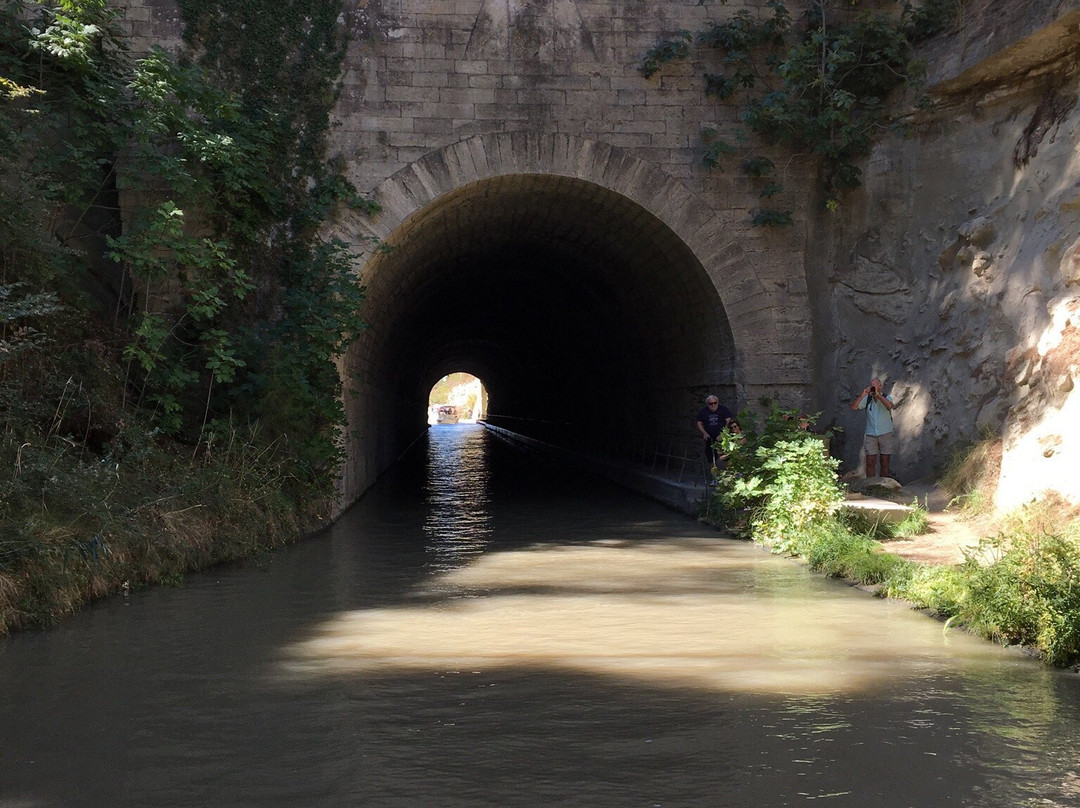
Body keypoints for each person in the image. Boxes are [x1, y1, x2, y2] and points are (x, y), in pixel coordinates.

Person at [850, 376, 895, 478]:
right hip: (871, 434)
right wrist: (862, 395)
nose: (873, 387)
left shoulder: (887, 397)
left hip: (885, 433)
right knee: (870, 461)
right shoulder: (867, 399)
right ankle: (870, 484)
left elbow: (889, 406)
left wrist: (877, 395)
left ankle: (884, 484)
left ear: (880, 386)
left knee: (885, 461)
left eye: (875, 385)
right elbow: (853, 407)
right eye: (871, 386)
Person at [696, 395, 734, 468]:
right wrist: (705, 433)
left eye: (715, 403)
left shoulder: (723, 409)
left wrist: (723, 434)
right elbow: (699, 423)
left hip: (722, 437)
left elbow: (728, 421)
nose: (713, 405)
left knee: (725, 455)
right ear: (707, 404)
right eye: (711, 403)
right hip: (710, 437)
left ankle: (727, 474)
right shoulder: (703, 411)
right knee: (711, 457)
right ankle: (714, 476)